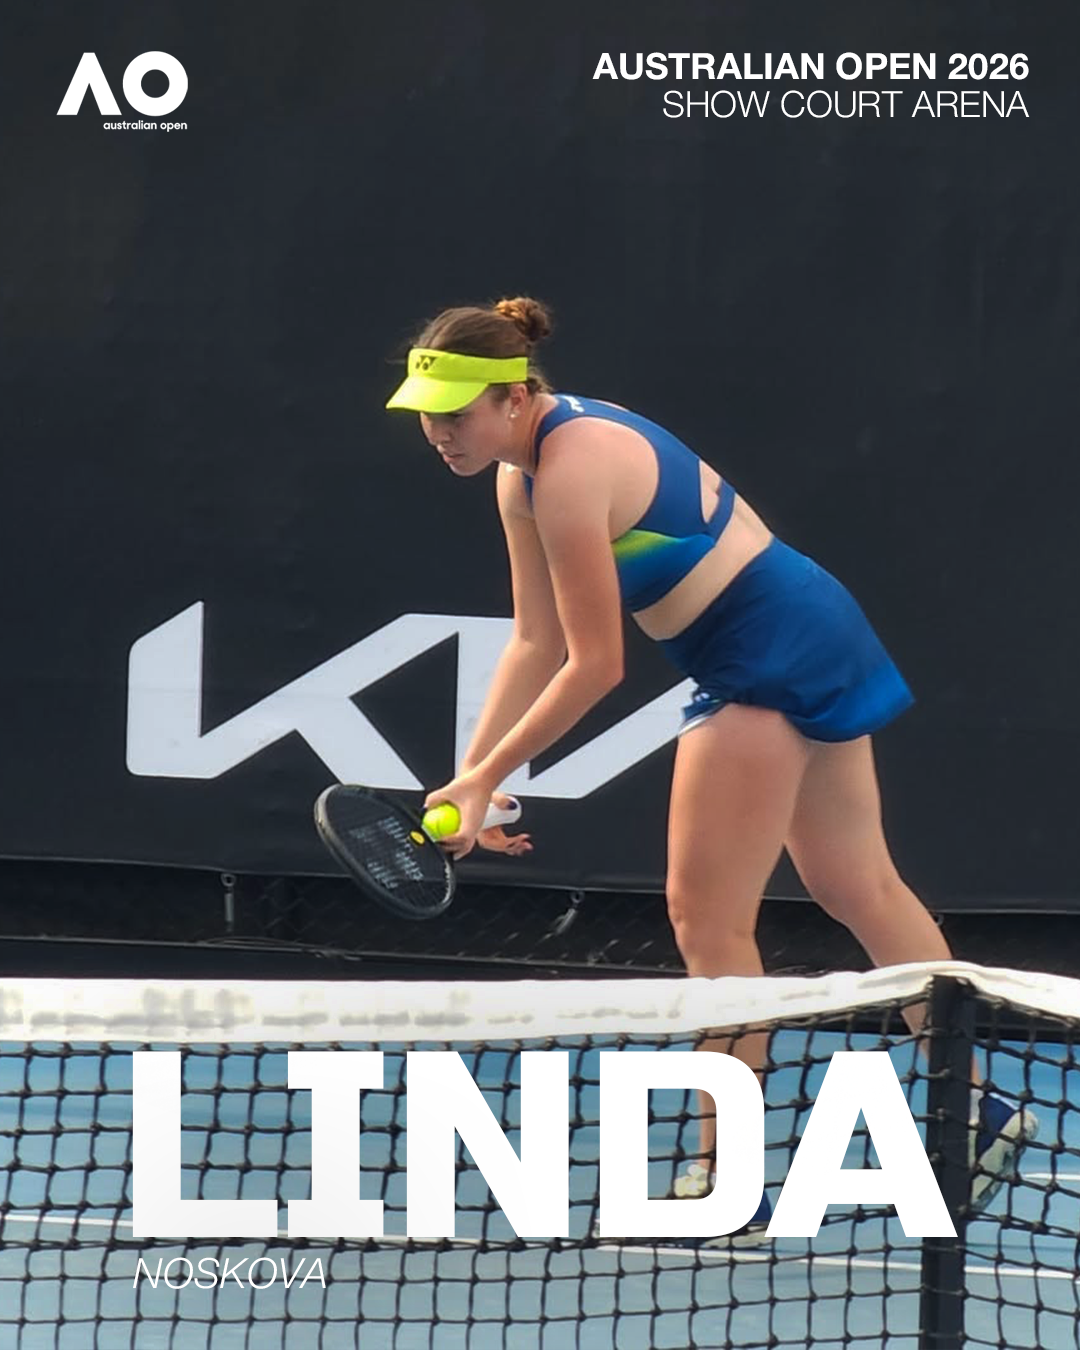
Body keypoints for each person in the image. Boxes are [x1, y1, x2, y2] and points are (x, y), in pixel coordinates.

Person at [385, 295, 1037, 1241]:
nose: (439, 434)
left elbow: (596, 665)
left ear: (513, 397)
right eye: (426, 416)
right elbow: (533, 641)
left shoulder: (570, 473)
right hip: (809, 619)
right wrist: (475, 774)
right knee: (856, 881)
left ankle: (723, 1171)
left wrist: (485, 779)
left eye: (454, 414)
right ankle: (979, 1106)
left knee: (706, 917)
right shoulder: (520, 479)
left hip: (762, 653)